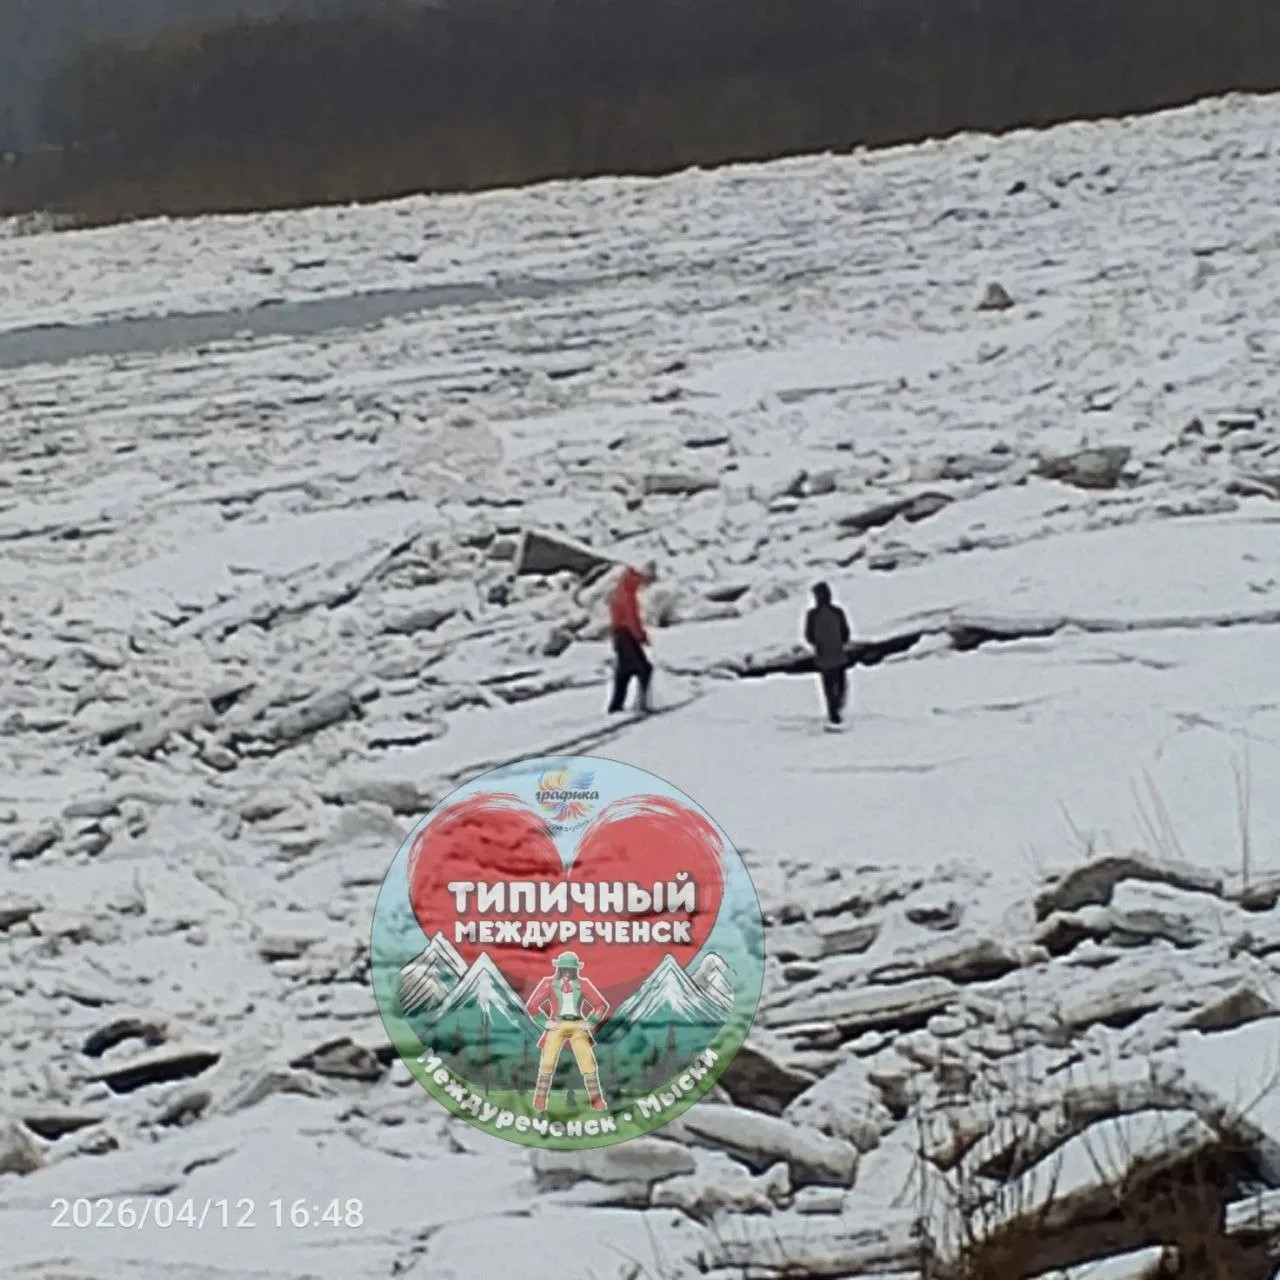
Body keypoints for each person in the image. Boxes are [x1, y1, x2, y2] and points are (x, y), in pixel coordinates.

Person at [524, 951, 611, 1112]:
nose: (567, 972)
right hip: (557, 1025)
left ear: (575, 969)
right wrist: (546, 1022)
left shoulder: (582, 984)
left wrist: (590, 1022)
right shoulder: (549, 983)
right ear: (559, 968)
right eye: (564, 968)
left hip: (577, 1024)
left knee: (588, 1062)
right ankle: (540, 1100)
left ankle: (596, 1100)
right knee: (547, 1062)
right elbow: (532, 1006)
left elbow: (600, 1004)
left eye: (570, 969)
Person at [606, 561, 655, 714]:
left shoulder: (620, 590)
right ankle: (642, 704)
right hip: (627, 634)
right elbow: (631, 618)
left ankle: (616, 706)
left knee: (624, 672)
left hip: (619, 635)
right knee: (644, 668)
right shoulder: (628, 594)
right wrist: (640, 636)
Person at [804, 581, 851, 727]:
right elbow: (845, 633)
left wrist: (819, 645)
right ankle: (836, 709)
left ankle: (833, 712)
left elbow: (809, 636)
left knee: (829, 687)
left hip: (823, 657)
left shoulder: (812, 615)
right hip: (838, 655)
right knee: (840, 685)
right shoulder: (837, 612)